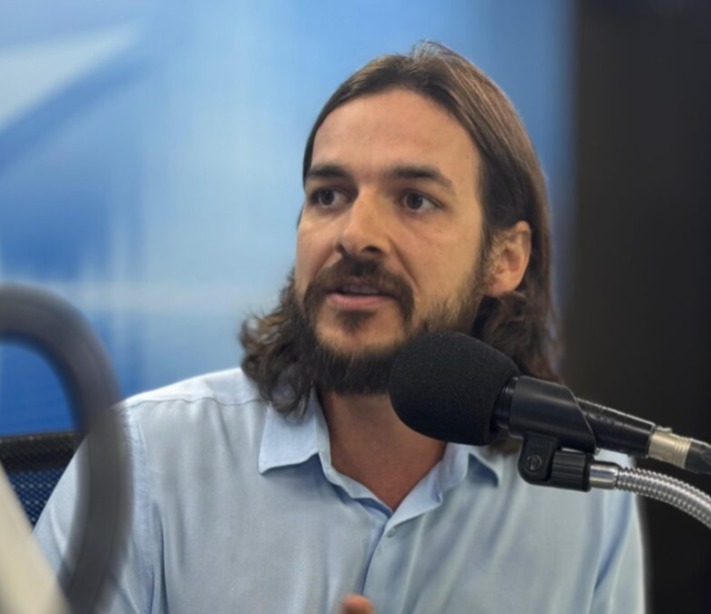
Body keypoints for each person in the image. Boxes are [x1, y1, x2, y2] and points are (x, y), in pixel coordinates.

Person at [36, 42, 645, 613]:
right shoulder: (143, 460)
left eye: (414, 200)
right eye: (329, 195)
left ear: (505, 258)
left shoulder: (586, 491)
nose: (355, 235)